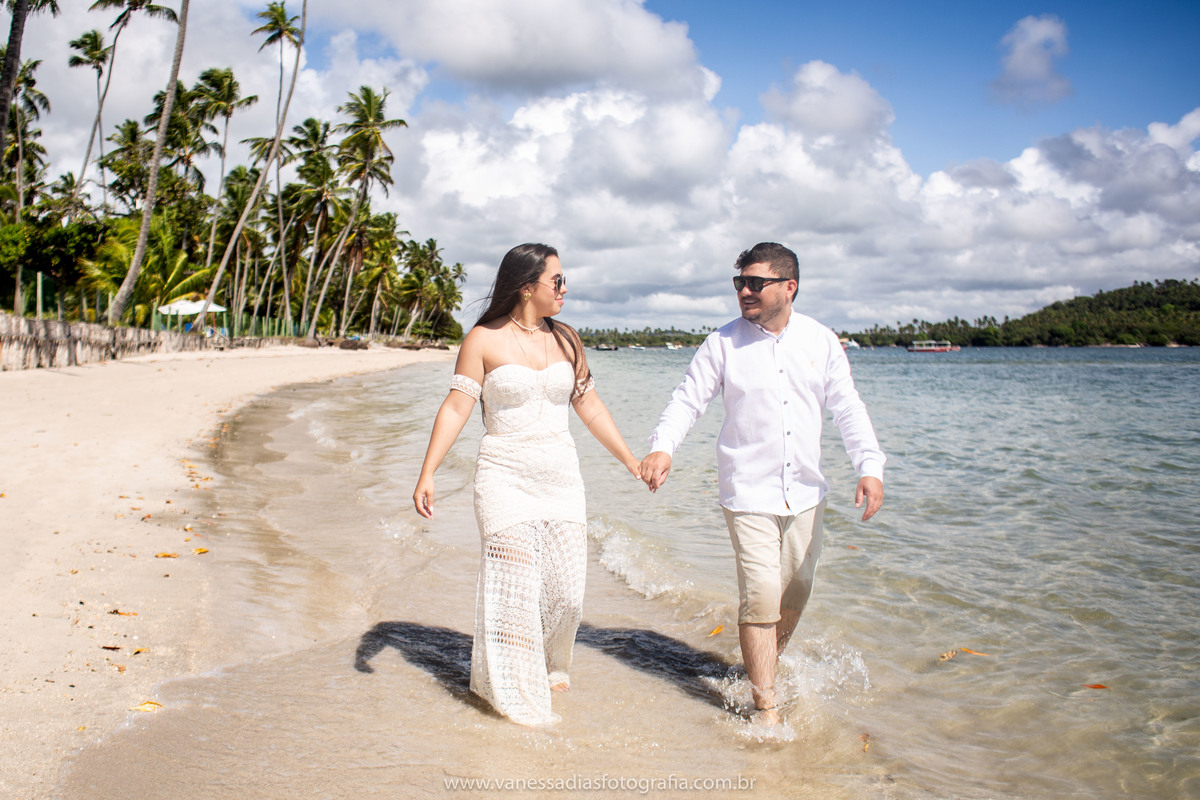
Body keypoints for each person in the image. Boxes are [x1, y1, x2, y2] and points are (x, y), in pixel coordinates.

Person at [639, 242, 885, 725]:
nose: (745, 291)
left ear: (789, 287)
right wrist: (662, 445)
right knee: (760, 595)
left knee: (795, 593)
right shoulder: (723, 343)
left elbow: (848, 407)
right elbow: (688, 400)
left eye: (756, 283)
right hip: (747, 491)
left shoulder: (821, 341)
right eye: (740, 283)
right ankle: (765, 706)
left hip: (807, 493)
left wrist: (869, 466)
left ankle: (760, 664)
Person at [413, 243, 641, 726]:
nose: (564, 288)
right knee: (513, 589)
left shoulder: (568, 340)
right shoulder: (482, 340)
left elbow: (591, 406)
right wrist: (428, 470)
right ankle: (514, 694)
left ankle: (550, 662)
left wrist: (631, 461)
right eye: (556, 280)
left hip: (560, 477)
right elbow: (457, 408)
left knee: (565, 594)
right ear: (526, 286)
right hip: (503, 476)